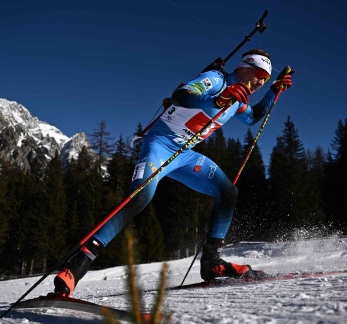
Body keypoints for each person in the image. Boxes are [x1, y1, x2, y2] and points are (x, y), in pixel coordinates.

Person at [54, 49, 293, 296]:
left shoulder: (241, 100)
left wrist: (274, 91)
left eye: (266, 78)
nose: (261, 81)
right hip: (159, 146)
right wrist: (218, 100)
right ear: (244, 67)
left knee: (228, 192)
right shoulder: (217, 79)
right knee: (140, 198)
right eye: (260, 74)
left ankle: (212, 262)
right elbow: (181, 96)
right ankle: (76, 265)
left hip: (184, 156)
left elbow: (253, 117)